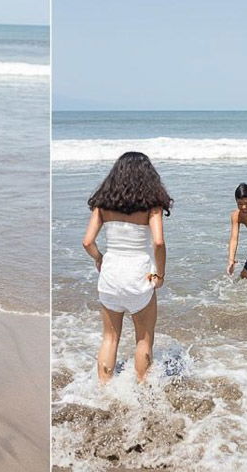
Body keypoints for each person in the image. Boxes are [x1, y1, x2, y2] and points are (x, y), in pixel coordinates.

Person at [82, 151, 172, 383]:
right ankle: (142, 390)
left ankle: (103, 390)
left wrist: (99, 258)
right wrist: (160, 275)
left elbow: (87, 242)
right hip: (138, 276)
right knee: (143, 338)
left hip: (110, 275)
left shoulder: (102, 204)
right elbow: (159, 242)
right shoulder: (152, 205)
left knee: (110, 338)